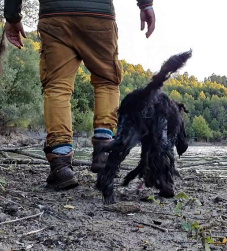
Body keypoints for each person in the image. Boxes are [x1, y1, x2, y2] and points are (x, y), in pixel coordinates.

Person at [3, 0, 156, 190]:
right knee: (106, 81)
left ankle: (60, 165)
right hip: (98, 14)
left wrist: (12, 15)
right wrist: (146, 5)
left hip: (54, 14)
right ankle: (103, 147)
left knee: (57, 86)